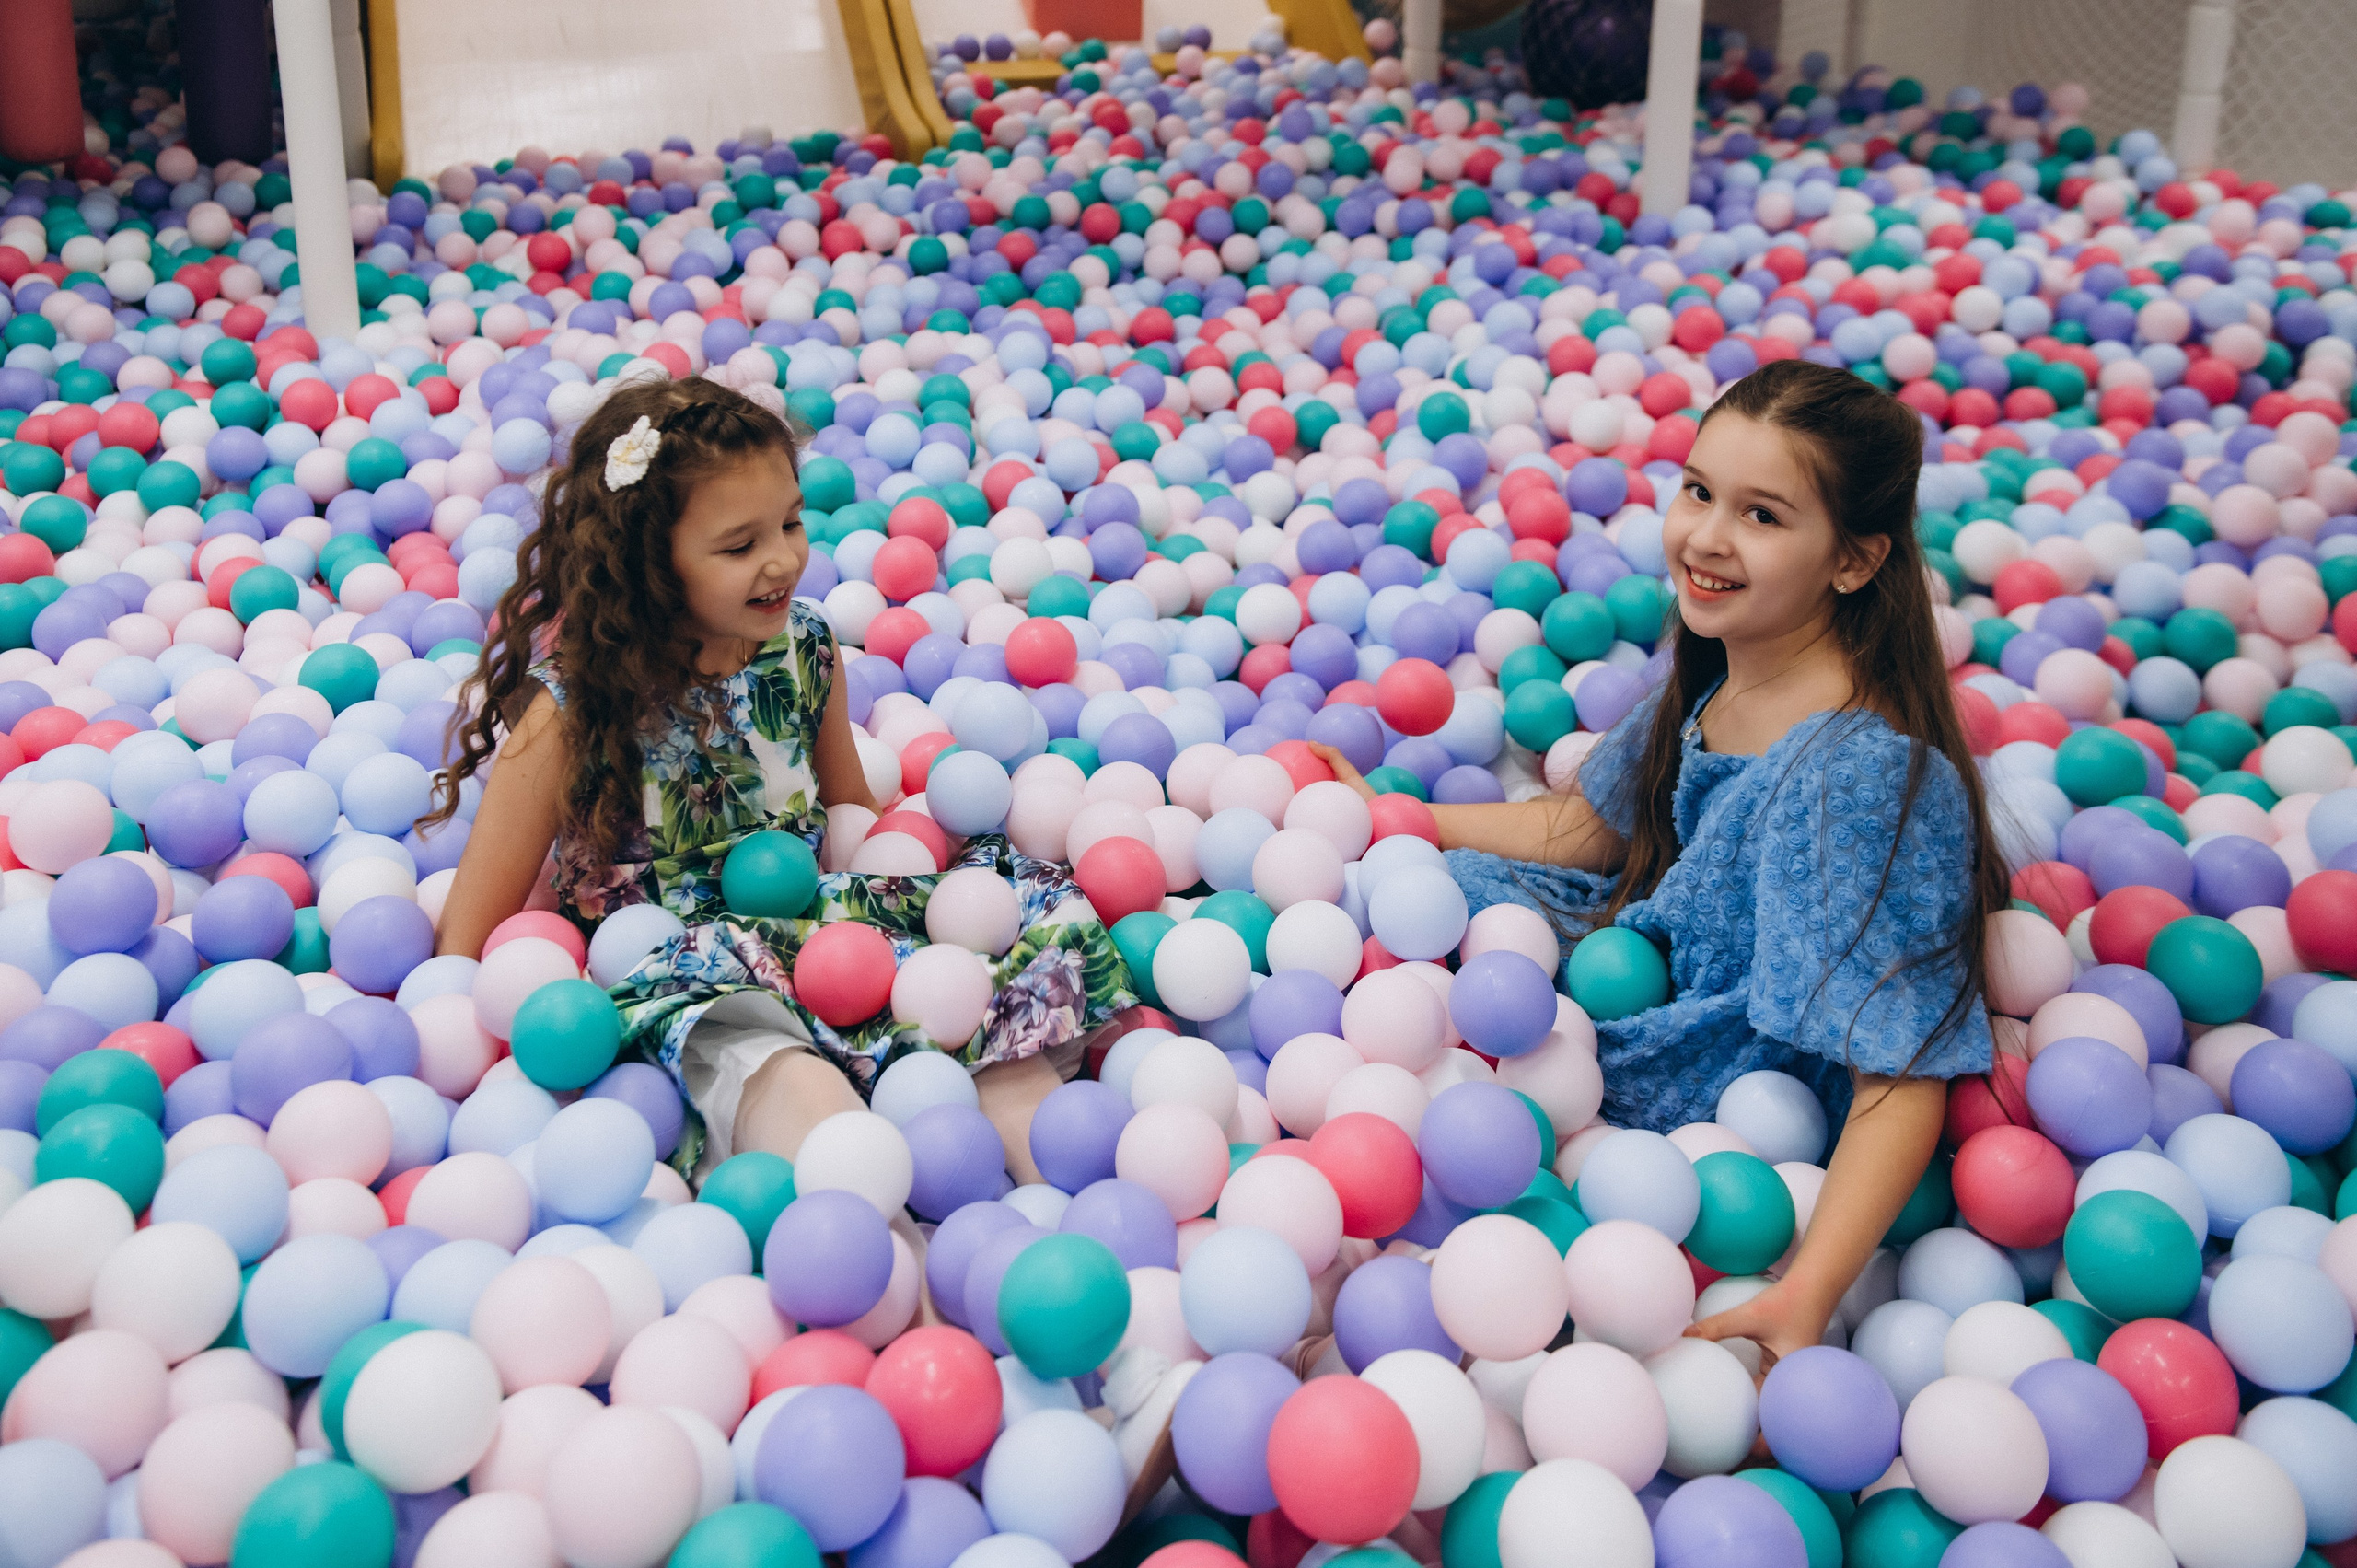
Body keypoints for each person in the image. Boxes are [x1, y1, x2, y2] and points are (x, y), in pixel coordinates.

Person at [1314, 359, 2004, 1366]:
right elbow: (1585, 830)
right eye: (1697, 491)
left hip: (1726, 1100)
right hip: (1633, 972)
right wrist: (1395, 811)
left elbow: (1895, 1064)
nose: (1706, 537)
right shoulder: (1723, 668)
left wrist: (1805, 1290)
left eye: (1762, 515)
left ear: (1852, 561)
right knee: (1411, 892)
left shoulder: (1859, 774)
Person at [425, 377, 1134, 1179]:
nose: (782, 559)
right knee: (808, 1107)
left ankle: (1077, 1222)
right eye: (738, 546)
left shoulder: (802, 649)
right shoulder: (574, 710)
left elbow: (849, 824)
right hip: (677, 970)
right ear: (647, 563)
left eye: (791, 523)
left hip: (817, 936)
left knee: (988, 1045)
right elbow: (467, 940)